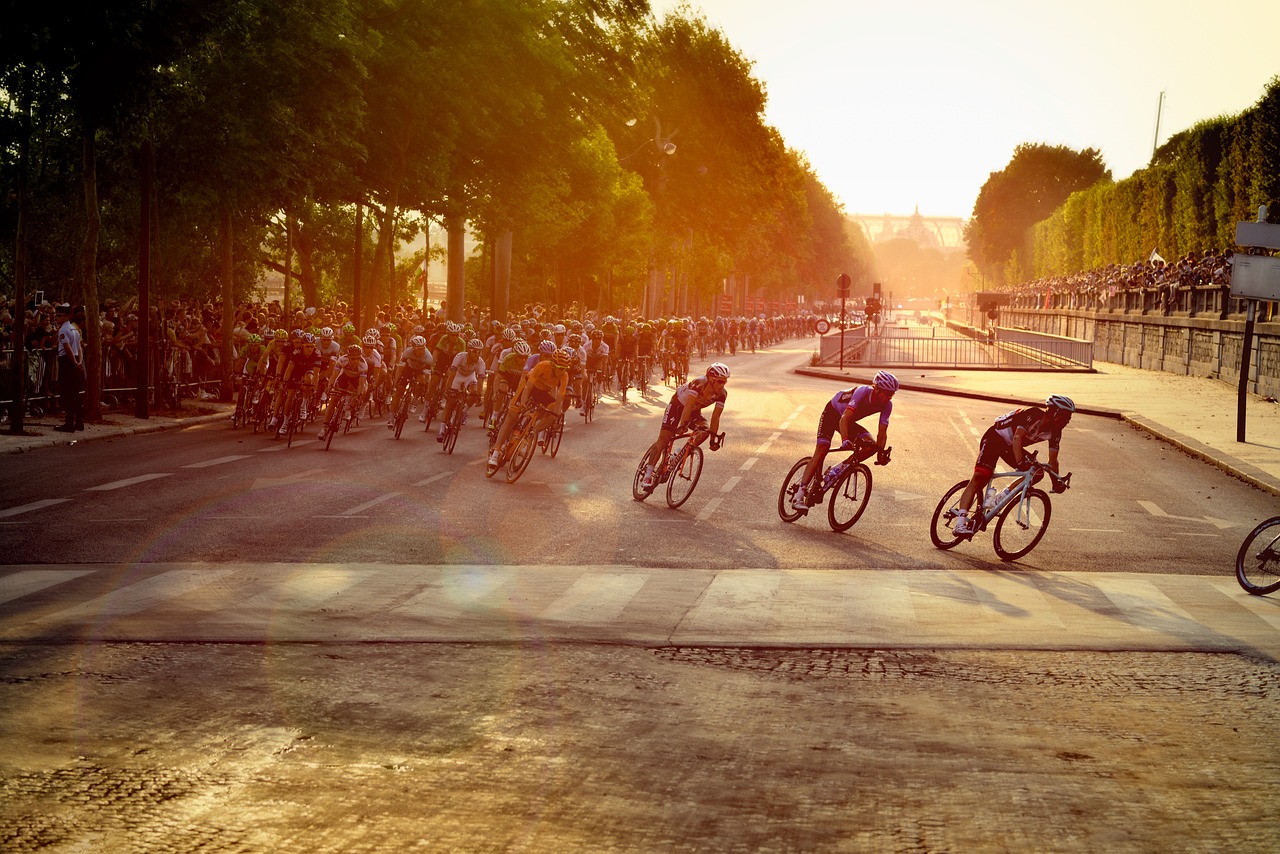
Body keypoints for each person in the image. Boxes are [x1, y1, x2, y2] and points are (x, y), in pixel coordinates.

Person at [951, 395, 1075, 535]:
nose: (1068, 421)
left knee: (1037, 473)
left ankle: (1000, 497)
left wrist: (1056, 481)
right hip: (996, 438)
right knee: (981, 476)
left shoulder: (1056, 432)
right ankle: (960, 523)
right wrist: (1020, 462)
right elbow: (1017, 438)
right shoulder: (1033, 414)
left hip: (1010, 446)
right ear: (1054, 412)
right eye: (1065, 416)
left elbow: (1053, 460)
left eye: (1069, 417)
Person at [791, 370, 897, 511]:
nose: (889, 397)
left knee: (871, 446)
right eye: (887, 393)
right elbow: (844, 418)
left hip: (848, 421)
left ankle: (840, 468)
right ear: (877, 389)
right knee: (822, 448)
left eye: (892, 394)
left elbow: (882, 433)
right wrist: (845, 440)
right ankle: (799, 495)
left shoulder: (887, 405)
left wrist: (880, 452)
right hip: (833, 414)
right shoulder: (862, 392)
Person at [640, 362, 729, 490]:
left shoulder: (722, 394)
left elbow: (715, 418)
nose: (723, 385)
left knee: (705, 430)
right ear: (711, 378)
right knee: (664, 439)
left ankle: (680, 454)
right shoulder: (699, 383)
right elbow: (687, 406)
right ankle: (648, 475)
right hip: (678, 407)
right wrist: (682, 425)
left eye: (725, 382)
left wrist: (713, 439)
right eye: (720, 382)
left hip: (693, 411)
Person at [487, 346, 572, 471]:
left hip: (542, 393)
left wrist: (556, 415)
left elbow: (560, 398)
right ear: (553, 365)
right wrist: (522, 404)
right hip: (528, 389)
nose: (562, 371)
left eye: (564, 368)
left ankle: (532, 432)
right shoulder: (542, 366)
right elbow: (527, 387)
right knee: (512, 416)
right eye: (559, 368)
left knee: (554, 412)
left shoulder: (564, 376)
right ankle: (496, 451)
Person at [54, 304, 85, 432]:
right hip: (75, 362)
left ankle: (69, 423)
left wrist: (74, 363)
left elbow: (67, 348)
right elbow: (79, 348)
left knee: (67, 394)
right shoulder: (74, 330)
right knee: (75, 394)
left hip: (67, 363)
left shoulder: (63, 330)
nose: (57, 318)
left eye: (59, 316)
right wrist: (79, 362)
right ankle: (78, 421)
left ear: (67, 316)